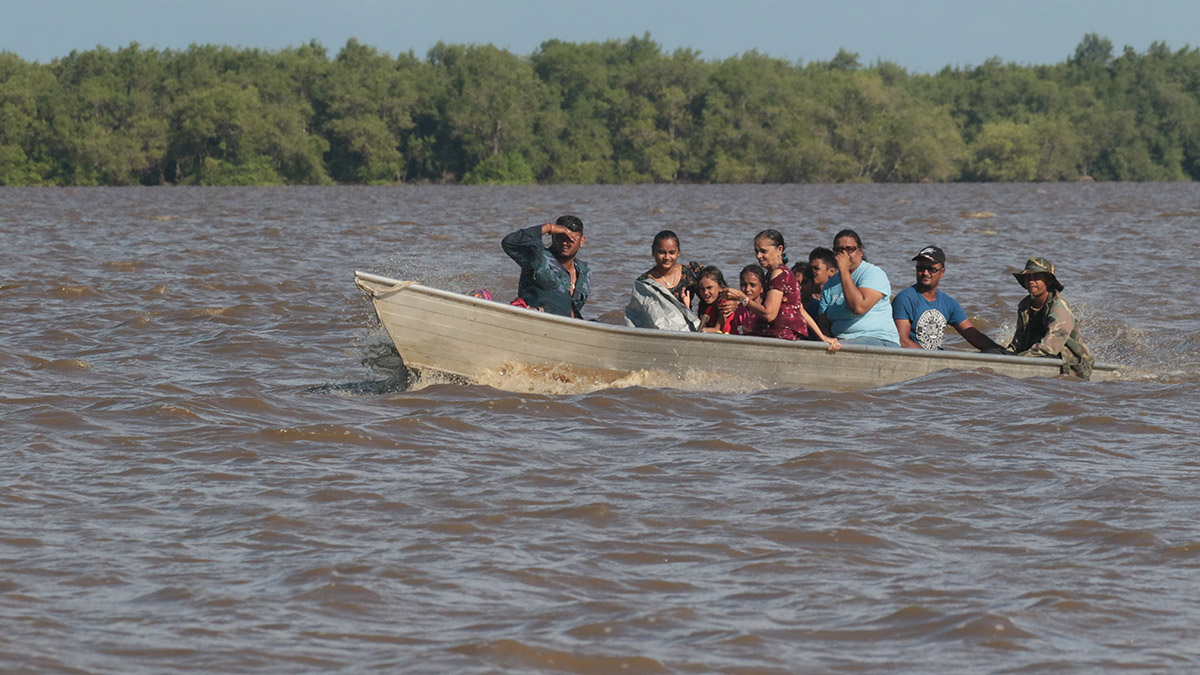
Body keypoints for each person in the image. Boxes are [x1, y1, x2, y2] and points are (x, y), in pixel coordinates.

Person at [722, 229, 840, 351]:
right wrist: (822, 337)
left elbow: (769, 315)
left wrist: (743, 298)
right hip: (778, 335)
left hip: (779, 337)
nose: (759, 256)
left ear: (779, 250)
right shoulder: (778, 273)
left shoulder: (779, 274)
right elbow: (799, 308)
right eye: (756, 251)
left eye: (763, 251)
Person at [892, 245, 1004, 352]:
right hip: (917, 360)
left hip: (936, 360)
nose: (925, 273)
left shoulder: (949, 304)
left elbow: (974, 336)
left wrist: (1002, 353)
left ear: (942, 272)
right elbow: (901, 341)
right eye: (921, 268)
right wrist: (932, 359)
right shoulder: (905, 299)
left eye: (931, 269)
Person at [1006, 257, 1094, 379]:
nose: (1031, 281)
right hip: (1035, 354)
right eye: (1028, 278)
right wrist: (1006, 356)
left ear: (1048, 281)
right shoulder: (1025, 306)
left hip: (1067, 360)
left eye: (1036, 277)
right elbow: (1019, 342)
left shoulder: (1058, 306)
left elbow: (1051, 346)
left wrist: (1021, 358)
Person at [818, 229, 900, 347]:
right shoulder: (829, 285)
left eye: (850, 249)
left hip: (877, 338)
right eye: (839, 250)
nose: (845, 254)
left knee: (845, 347)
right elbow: (823, 322)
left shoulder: (873, 274)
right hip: (841, 340)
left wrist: (844, 271)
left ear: (860, 251)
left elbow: (859, 307)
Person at [501, 215, 589, 318]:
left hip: (567, 326)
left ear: (581, 241)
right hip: (535, 320)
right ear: (553, 237)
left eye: (571, 239)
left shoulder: (584, 271)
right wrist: (549, 227)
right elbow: (509, 243)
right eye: (560, 237)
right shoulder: (537, 257)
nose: (565, 243)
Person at [637, 230, 703, 306]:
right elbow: (638, 313)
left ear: (678, 252)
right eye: (662, 252)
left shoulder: (691, 273)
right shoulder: (644, 283)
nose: (667, 257)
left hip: (688, 317)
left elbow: (714, 291)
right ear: (653, 251)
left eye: (672, 252)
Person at [729, 264, 767, 336]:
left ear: (762, 288)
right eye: (743, 285)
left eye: (752, 285)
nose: (747, 289)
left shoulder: (766, 309)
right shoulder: (738, 310)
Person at [695, 266, 734, 333]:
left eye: (709, 288)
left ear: (721, 287)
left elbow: (717, 329)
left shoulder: (725, 303)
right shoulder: (703, 303)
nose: (705, 292)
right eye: (702, 289)